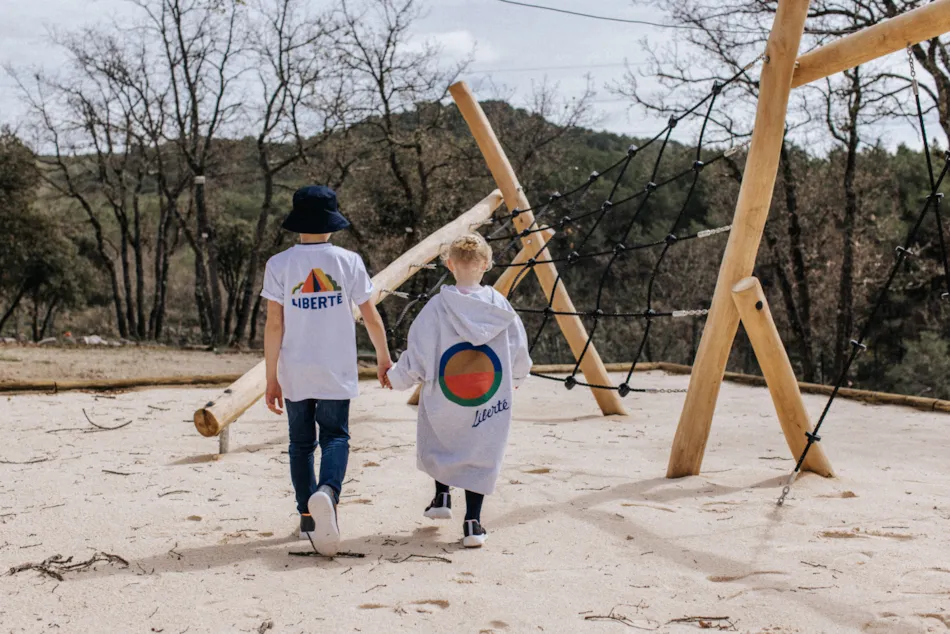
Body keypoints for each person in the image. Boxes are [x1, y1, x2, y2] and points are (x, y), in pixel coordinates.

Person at [261, 185, 391, 556]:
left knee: (300, 444)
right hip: (336, 368)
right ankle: (328, 493)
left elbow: (274, 324)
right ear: (332, 223)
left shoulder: (280, 264)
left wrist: (272, 377)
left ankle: (307, 515)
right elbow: (370, 315)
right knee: (335, 436)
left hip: (296, 370)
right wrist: (383, 357)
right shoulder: (348, 261)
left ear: (297, 223)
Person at [386, 233, 532, 548]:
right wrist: (517, 375)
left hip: (447, 391)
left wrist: (398, 377)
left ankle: (441, 496)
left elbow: (419, 353)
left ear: (450, 264)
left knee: (443, 440)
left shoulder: (438, 306)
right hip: (488, 395)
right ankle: (473, 524)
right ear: (486, 264)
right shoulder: (499, 307)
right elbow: (518, 347)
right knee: (482, 451)